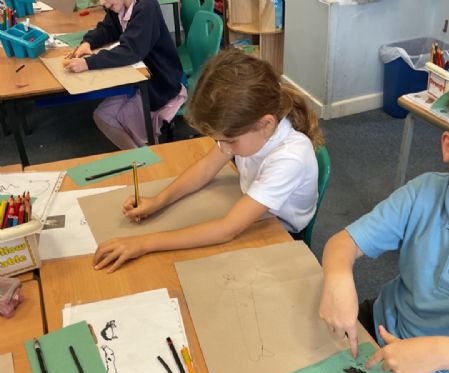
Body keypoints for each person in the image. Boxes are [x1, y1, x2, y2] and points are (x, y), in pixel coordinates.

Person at [320, 69, 449, 373]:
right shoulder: (424, 193)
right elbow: (343, 243)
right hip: (385, 323)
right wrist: (337, 277)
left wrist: (438, 353)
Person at [93, 49, 324, 273]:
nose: (224, 148)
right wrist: (158, 201)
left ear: (266, 124)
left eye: (229, 141)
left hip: (280, 232)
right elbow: (205, 168)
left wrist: (144, 243)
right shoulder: (251, 130)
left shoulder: (289, 158)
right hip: (251, 206)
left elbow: (226, 229)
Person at [63, 0, 186, 149]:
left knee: (111, 117)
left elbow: (131, 51)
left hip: (159, 82)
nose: (103, 3)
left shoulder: (147, 7)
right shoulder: (119, 6)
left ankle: (146, 155)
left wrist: (88, 63)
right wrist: (88, 43)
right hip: (138, 77)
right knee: (102, 116)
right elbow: (107, 29)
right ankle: (140, 154)